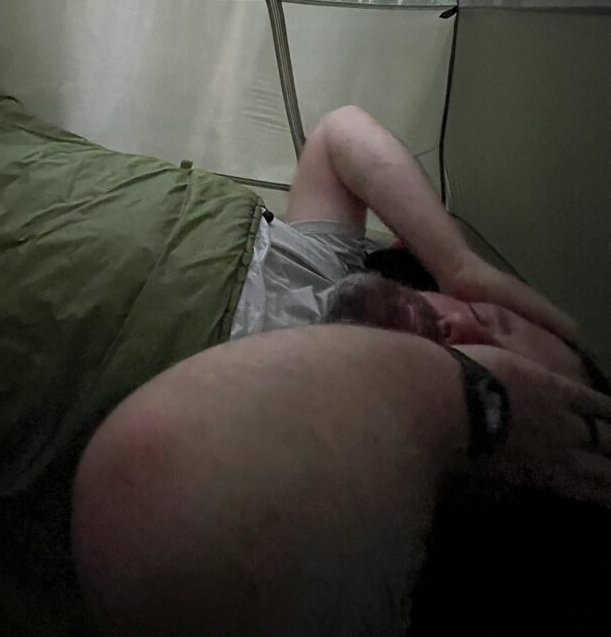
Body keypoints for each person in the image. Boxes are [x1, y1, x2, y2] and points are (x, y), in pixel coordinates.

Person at [71, 105, 611, 636]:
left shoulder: (268, 458)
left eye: (485, 364)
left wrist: (474, 403)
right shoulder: (327, 269)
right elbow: (339, 135)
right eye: (492, 319)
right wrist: (458, 264)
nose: (461, 326)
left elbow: (143, 486)